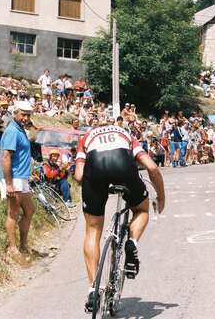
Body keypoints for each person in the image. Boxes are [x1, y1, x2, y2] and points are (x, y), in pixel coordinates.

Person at [74, 124, 166, 312]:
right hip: (123, 164)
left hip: (95, 167)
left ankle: (93, 289)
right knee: (141, 210)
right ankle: (132, 241)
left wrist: (96, 185)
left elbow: (78, 176)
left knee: (92, 231)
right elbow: (152, 167)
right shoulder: (126, 135)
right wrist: (161, 197)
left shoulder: (86, 137)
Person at [0, 101, 36, 262]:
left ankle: (23, 245)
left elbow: (33, 137)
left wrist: (32, 125)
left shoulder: (21, 130)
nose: (26, 118)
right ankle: (13, 248)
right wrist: (8, 184)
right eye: (23, 114)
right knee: (13, 213)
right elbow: (6, 157)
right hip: (14, 178)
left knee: (29, 211)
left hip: (22, 177)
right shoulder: (13, 131)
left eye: (28, 115)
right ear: (15, 114)